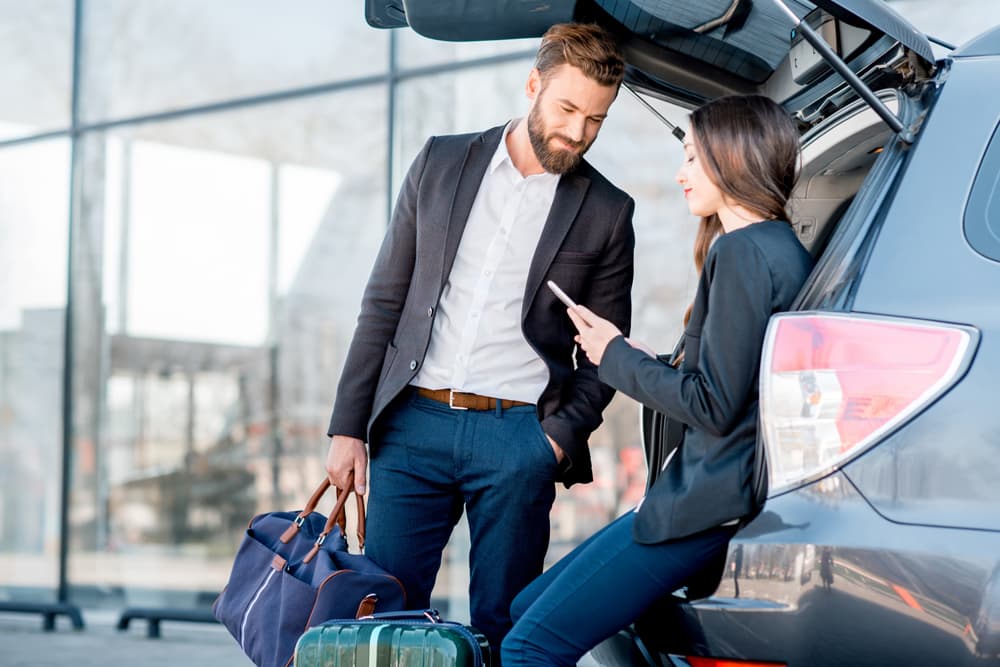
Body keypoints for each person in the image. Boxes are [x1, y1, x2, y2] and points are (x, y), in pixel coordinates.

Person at [323, 23, 635, 655]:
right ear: (533, 85)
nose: (577, 132)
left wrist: (553, 440)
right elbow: (383, 302)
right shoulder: (441, 162)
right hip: (410, 428)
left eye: (595, 120)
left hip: (517, 439)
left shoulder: (607, 210)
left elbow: (604, 353)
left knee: (504, 627)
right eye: (567, 109)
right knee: (385, 624)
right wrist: (347, 426)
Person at [501, 94, 815, 666]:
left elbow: (714, 406)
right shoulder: (780, 250)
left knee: (528, 646)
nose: (680, 173)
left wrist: (613, 355)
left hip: (704, 506)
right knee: (526, 609)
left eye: (693, 157)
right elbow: (734, 384)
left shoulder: (743, 253)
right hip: (716, 501)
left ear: (732, 158)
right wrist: (654, 362)